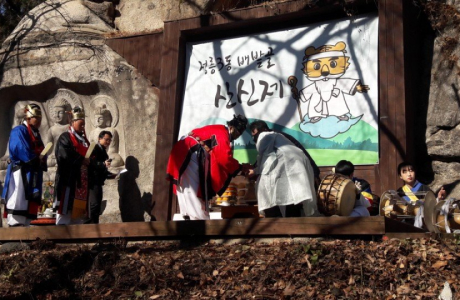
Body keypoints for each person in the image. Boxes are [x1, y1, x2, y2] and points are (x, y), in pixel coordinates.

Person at [166, 114, 248, 220]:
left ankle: (187, 219)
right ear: (231, 127)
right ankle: (199, 222)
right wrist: (240, 167)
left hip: (184, 152)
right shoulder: (222, 133)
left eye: (240, 133)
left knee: (186, 189)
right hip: (190, 153)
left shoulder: (219, 130)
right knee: (193, 190)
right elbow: (224, 158)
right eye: (237, 132)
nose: (237, 135)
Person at [247, 121, 318, 217]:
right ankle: (293, 225)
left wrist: (255, 171)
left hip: (287, 164)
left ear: (262, 129)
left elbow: (265, 156)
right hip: (298, 164)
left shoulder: (264, 135)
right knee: (294, 195)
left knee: (267, 191)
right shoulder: (280, 136)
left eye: (254, 133)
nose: (254, 137)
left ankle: (276, 222)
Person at [1, 104, 47, 226]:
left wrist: (43, 157)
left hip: (33, 171)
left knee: (29, 201)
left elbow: (41, 150)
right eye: (36, 118)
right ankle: (15, 226)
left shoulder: (36, 134)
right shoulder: (19, 130)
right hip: (21, 171)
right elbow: (20, 148)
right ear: (28, 117)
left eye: (40, 118)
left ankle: (26, 226)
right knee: (18, 197)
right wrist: (35, 158)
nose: (39, 121)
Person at [248, 120, 321, 186]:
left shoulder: (272, 138)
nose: (255, 139)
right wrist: (254, 167)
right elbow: (264, 155)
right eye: (253, 137)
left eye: (256, 135)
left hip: (297, 172)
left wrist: (314, 172)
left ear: (264, 130)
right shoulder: (273, 137)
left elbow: (267, 157)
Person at [53, 106, 90, 225]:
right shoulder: (65, 137)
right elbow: (64, 155)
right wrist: (81, 160)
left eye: (84, 124)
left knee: (79, 214)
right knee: (66, 209)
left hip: (82, 180)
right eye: (81, 124)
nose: (83, 126)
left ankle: (77, 238)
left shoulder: (84, 140)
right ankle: (61, 236)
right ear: (73, 122)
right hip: (69, 179)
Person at [88, 130, 116, 224]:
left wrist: (110, 174)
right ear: (99, 139)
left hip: (98, 181)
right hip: (92, 181)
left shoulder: (104, 151)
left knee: (98, 205)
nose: (108, 142)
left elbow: (102, 169)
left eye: (109, 140)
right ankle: (92, 226)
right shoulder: (94, 148)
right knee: (94, 204)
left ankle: (95, 225)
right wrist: (103, 164)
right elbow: (90, 163)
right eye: (106, 139)